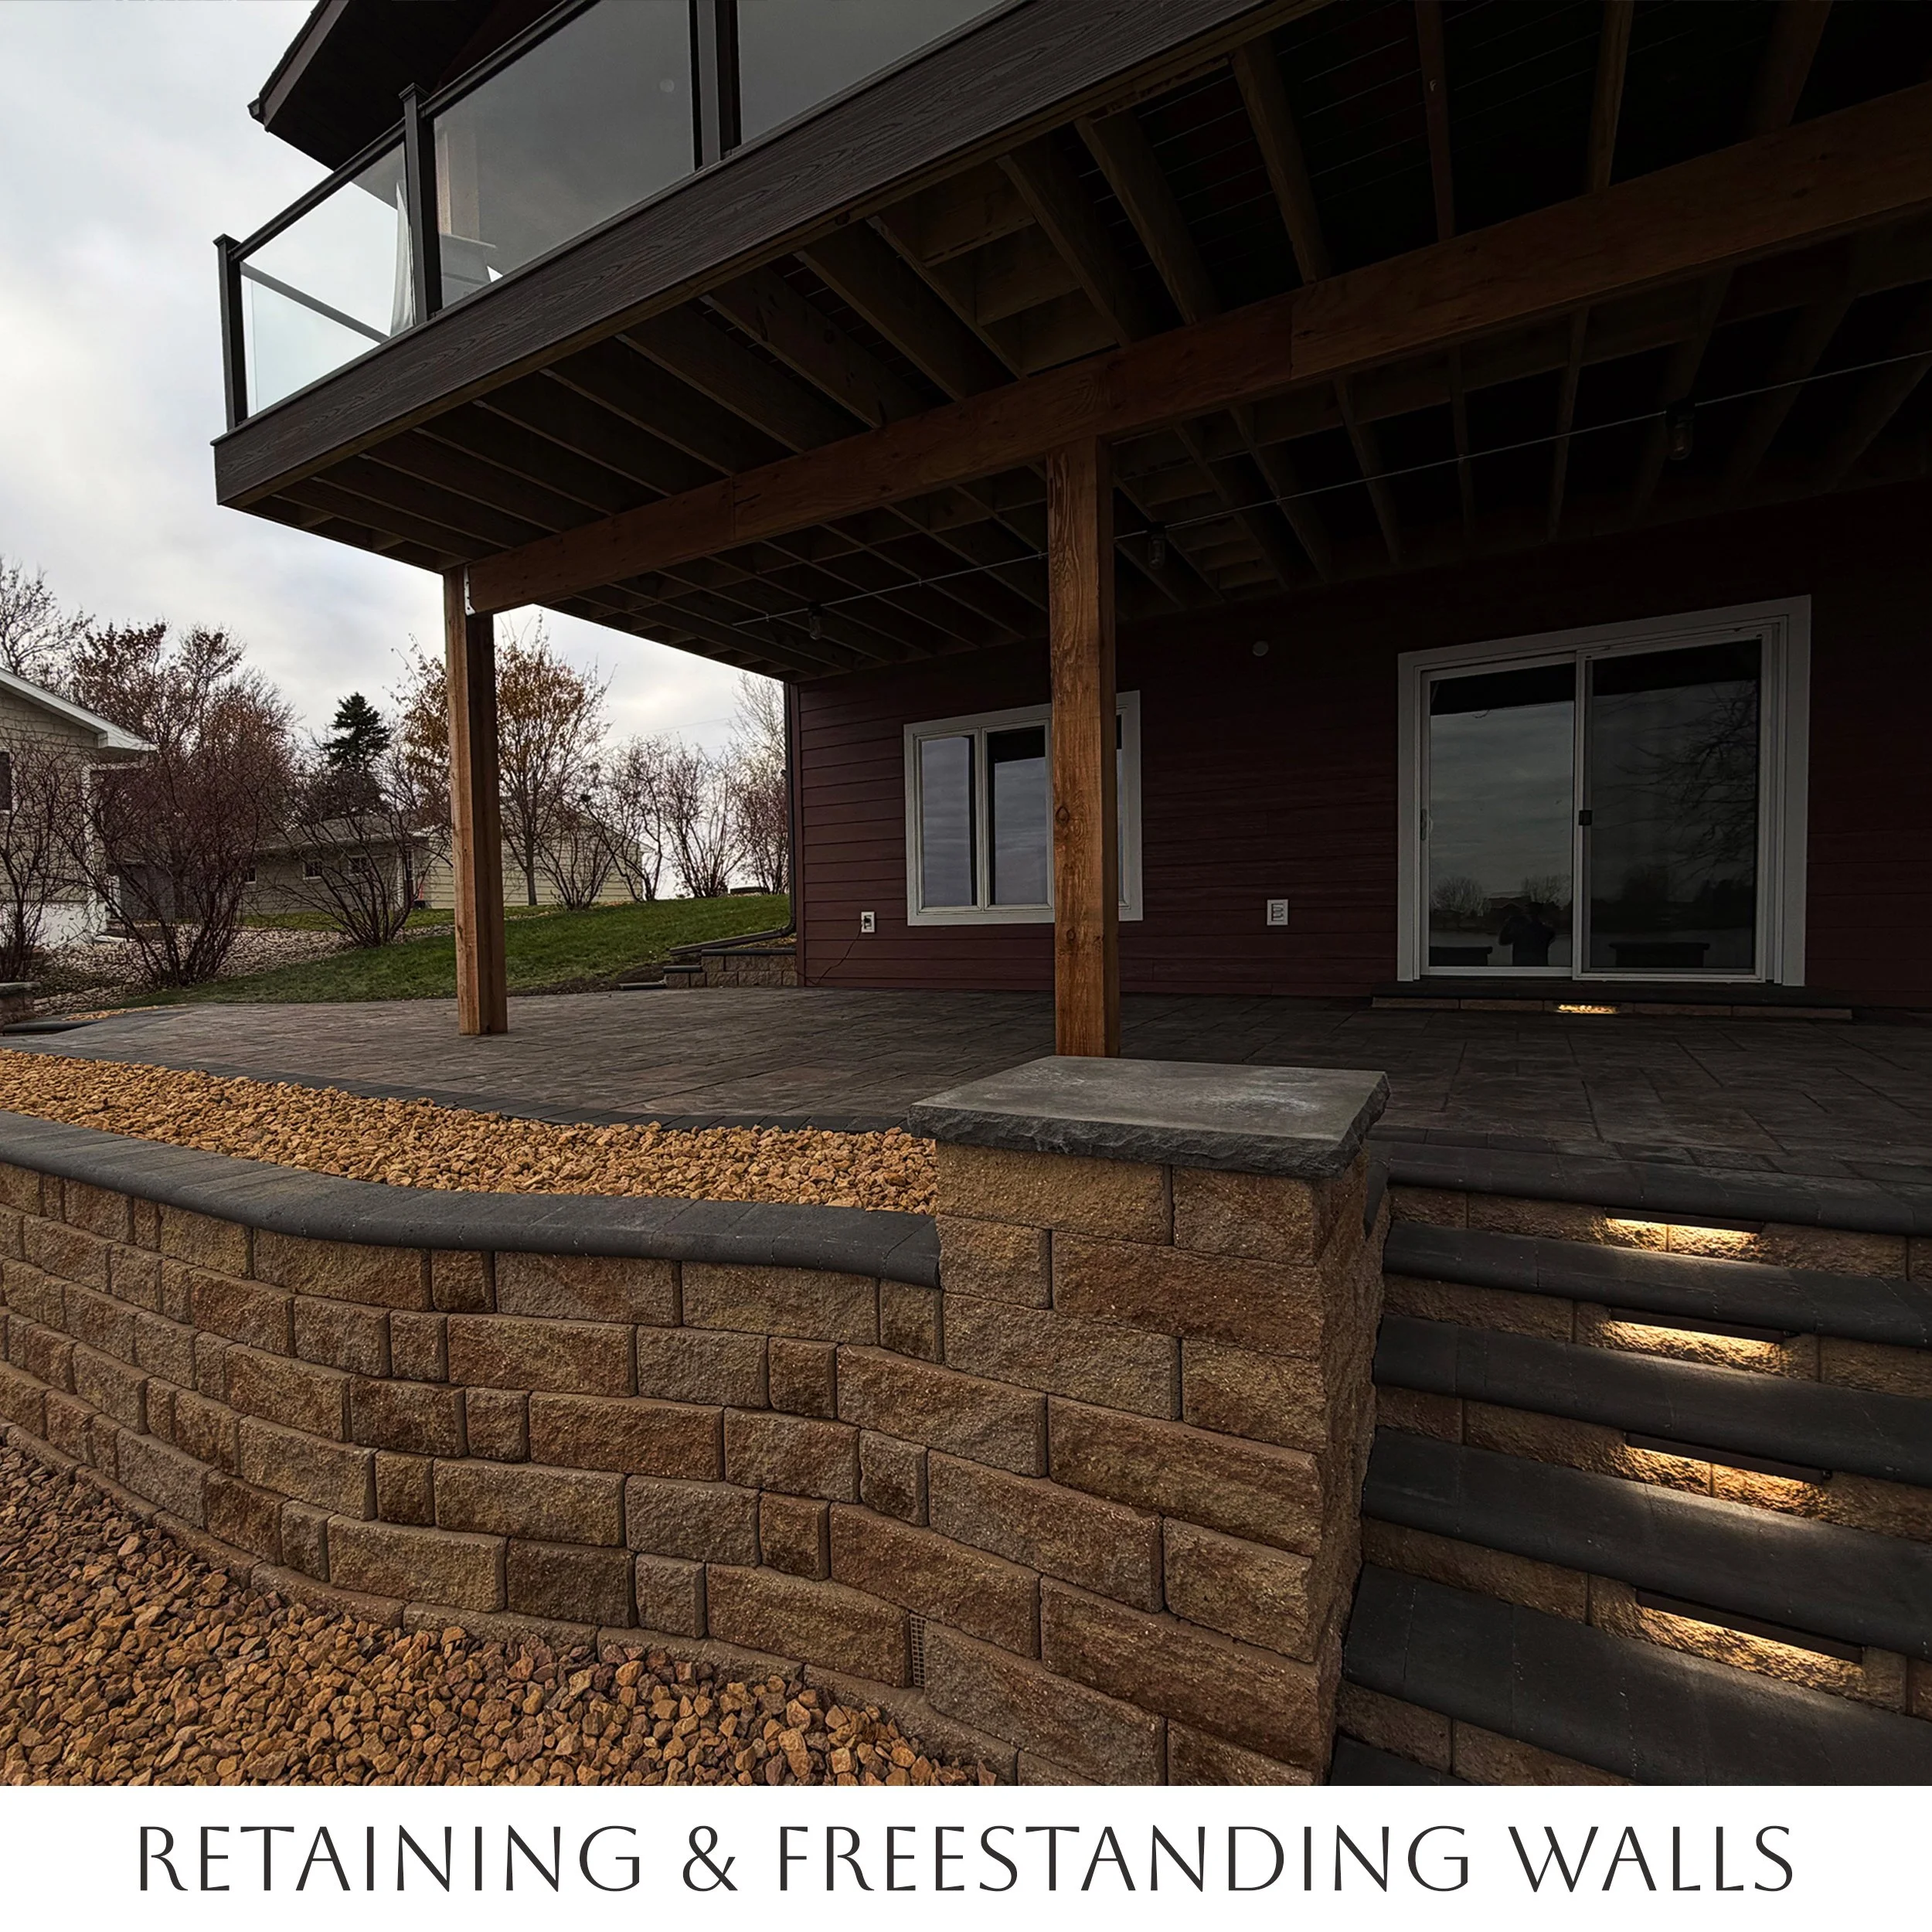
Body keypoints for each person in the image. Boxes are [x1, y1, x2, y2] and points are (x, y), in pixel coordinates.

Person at [1497, 900, 1556, 967]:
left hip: (1522, 969)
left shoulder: (1520, 931)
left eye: (1526, 913)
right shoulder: (1546, 931)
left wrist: (1508, 925)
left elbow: (1503, 941)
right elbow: (1551, 934)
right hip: (1540, 969)